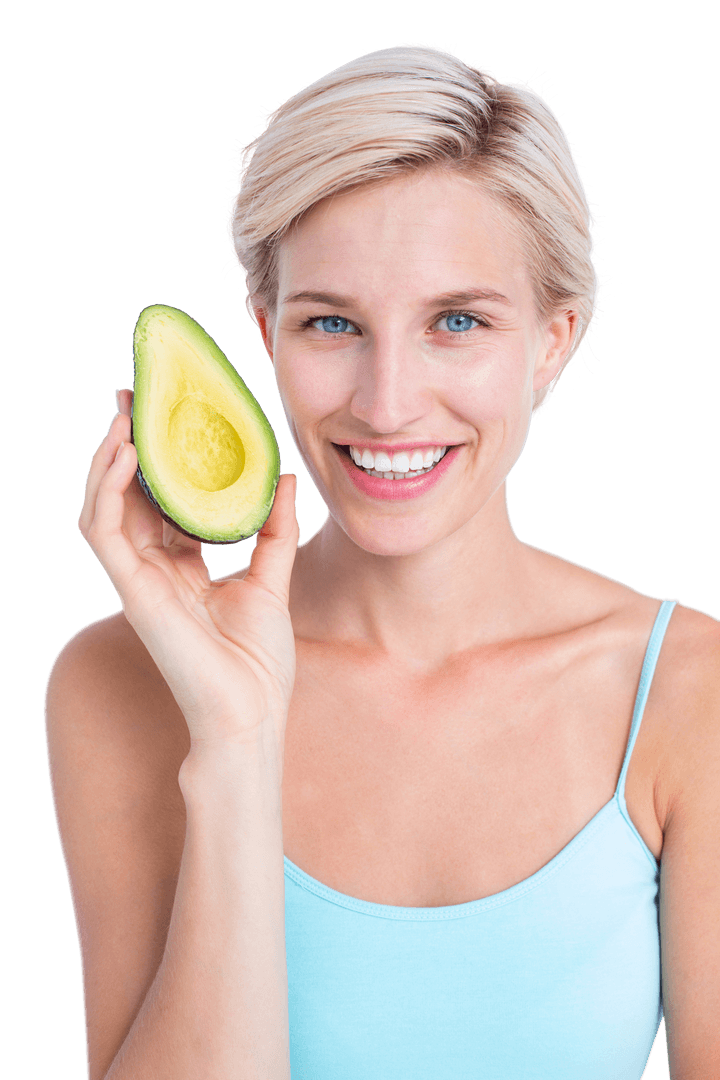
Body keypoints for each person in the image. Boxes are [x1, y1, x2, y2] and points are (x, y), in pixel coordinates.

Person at [44, 43, 719, 1080]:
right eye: (331, 323)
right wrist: (234, 738)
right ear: (265, 334)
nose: (388, 400)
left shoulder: (687, 690)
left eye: (458, 321)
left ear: (552, 340)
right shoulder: (122, 682)